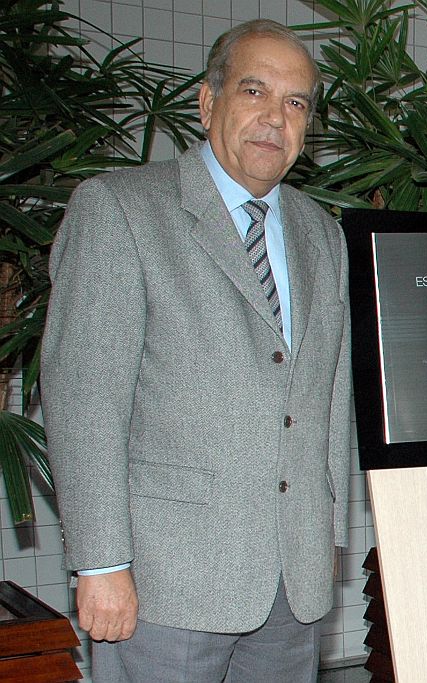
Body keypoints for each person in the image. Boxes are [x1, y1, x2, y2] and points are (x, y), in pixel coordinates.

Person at [39, 19, 351, 682]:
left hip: (289, 586)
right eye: (254, 91)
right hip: (164, 584)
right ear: (208, 103)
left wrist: (322, 537)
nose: (275, 117)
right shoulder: (121, 209)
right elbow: (85, 401)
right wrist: (100, 563)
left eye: (296, 102)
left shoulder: (322, 233)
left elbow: (329, 400)